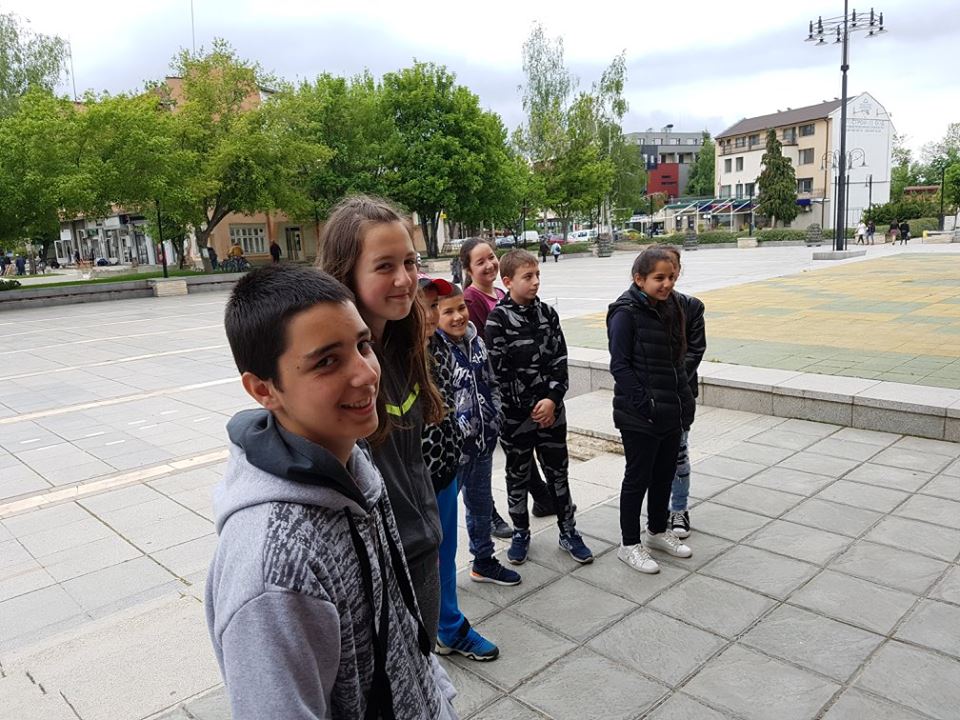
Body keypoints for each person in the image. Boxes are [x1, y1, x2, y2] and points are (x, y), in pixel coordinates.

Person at [207, 264, 457, 719]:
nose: (365, 374)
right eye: (326, 361)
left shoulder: (355, 462)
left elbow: (400, 623)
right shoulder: (274, 572)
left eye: (363, 345)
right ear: (263, 389)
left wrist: (437, 696)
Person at [318, 195, 447, 645]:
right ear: (346, 273)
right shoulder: (339, 372)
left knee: (424, 668)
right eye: (384, 266)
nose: (405, 279)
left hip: (422, 549)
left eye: (410, 262)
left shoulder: (405, 343)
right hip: (377, 568)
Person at [486, 249, 593, 565]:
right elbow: (499, 373)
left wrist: (552, 400)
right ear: (508, 281)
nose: (535, 282)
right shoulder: (497, 320)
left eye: (537, 276)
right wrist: (533, 406)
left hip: (552, 413)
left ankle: (568, 530)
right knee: (517, 476)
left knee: (558, 473)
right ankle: (521, 533)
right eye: (527, 277)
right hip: (516, 417)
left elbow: (560, 359)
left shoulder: (548, 314)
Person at [458, 238, 558, 538]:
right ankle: (487, 514)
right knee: (484, 458)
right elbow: (482, 347)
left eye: (491, 257)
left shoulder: (501, 292)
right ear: (468, 269)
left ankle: (541, 498)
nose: (489, 264)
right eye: (480, 262)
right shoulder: (471, 300)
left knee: (519, 451)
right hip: (490, 389)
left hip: (520, 389)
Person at [607, 247, 695, 574]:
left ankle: (657, 531)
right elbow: (620, 366)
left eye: (671, 277)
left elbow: (676, 361)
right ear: (639, 278)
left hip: (670, 410)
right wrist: (647, 404)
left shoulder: (671, 306)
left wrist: (682, 403)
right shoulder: (624, 313)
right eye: (659, 278)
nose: (667, 284)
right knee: (638, 478)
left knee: (664, 475)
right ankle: (629, 544)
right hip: (639, 415)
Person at [657, 246, 706, 539]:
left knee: (679, 454)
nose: (667, 279)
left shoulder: (692, 307)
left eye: (672, 271)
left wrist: (670, 383)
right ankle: (658, 509)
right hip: (651, 398)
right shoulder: (637, 306)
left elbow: (695, 351)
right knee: (654, 458)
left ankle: (679, 508)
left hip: (680, 393)